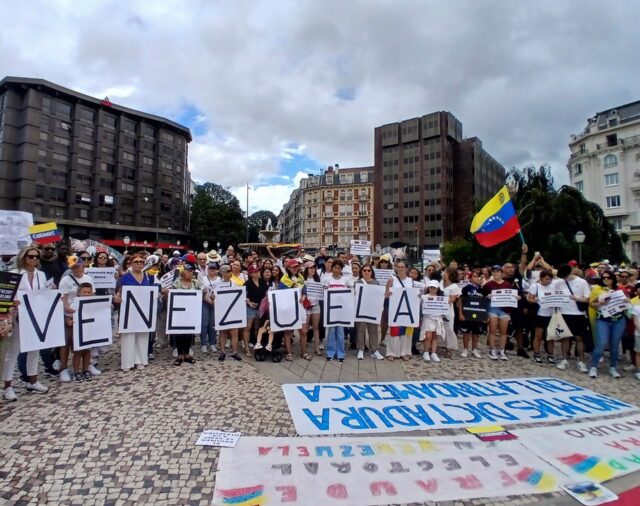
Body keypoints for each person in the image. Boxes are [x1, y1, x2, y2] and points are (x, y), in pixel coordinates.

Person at [3, 246, 50, 401]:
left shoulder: (41, 275)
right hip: (17, 316)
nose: (34, 259)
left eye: (37, 256)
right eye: (31, 256)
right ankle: (8, 386)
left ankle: (33, 381)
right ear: (23, 257)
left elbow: (42, 294)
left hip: (35, 316)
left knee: (34, 349)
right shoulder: (14, 274)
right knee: (13, 351)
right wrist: (12, 304)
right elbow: (7, 295)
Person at [58, 256, 97, 382]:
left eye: (78, 266)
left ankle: (87, 366)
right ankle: (64, 369)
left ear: (82, 265)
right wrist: (67, 309)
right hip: (70, 314)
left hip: (85, 315)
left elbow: (93, 294)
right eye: (73, 267)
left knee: (87, 343)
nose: (76, 269)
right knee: (66, 343)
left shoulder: (88, 278)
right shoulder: (65, 280)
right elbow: (63, 297)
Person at [113, 254, 154, 371]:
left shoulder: (148, 276)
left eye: (141, 261)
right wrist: (117, 298)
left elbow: (154, 290)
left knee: (142, 335)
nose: (139, 263)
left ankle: (140, 359)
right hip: (128, 310)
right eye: (136, 261)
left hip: (144, 311)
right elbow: (118, 292)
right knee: (128, 335)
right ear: (131, 263)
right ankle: (128, 362)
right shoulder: (124, 278)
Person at [588, 272, 628, 378]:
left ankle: (613, 367)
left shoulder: (620, 289)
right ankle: (593, 366)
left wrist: (626, 301)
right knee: (601, 343)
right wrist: (600, 303)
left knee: (615, 345)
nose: (606, 279)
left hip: (619, 319)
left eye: (608, 277)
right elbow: (591, 303)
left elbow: (627, 302)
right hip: (603, 320)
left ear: (612, 278)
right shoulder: (597, 289)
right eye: (603, 277)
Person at [554, 263, 591, 372]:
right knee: (565, 338)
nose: (565, 279)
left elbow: (587, 299)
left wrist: (576, 298)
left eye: (566, 276)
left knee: (579, 338)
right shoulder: (559, 282)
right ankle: (564, 359)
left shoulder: (582, 282)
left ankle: (581, 361)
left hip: (578, 314)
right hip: (563, 313)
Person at [167, 261, 202, 366]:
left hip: (191, 312)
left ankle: (186, 353)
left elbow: (200, 294)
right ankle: (179, 354)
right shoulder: (176, 283)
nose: (191, 273)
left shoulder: (195, 283)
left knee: (189, 333)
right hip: (179, 313)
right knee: (179, 333)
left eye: (192, 271)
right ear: (183, 273)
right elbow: (172, 295)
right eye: (189, 271)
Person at [67, 283, 100, 382]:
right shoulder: (74, 304)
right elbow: (68, 316)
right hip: (77, 332)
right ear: (79, 293)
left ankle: (85, 370)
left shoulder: (93, 304)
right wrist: (69, 322)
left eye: (89, 292)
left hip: (89, 332)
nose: (87, 294)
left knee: (87, 352)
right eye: (84, 292)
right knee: (77, 353)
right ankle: (76, 372)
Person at [385, 259, 415, 362]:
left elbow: (413, 295)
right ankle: (391, 352)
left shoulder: (410, 281)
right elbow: (386, 294)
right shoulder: (392, 280)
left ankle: (404, 352)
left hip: (407, 309)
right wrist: (388, 294)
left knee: (406, 331)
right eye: (399, 266)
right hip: (395, 308)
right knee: (394, 330)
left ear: (406, 269)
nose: (400, 268)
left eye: (402, 267)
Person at [482, 265, 514, 361]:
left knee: (503, 332)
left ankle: (502, 350)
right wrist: (487, 296)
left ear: (501, 273)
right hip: (492, 309)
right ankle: (492, 349)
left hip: (504, 310)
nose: (495, 273)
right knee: (492, 330)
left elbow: (512, 296)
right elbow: (482, 297)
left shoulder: (508, 285)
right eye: (494, 271)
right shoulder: (488, 285)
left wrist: (516, 298)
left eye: (497, 271)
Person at [354, 265, 384, 360]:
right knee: (360, 329)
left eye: (368, 270)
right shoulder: (357, 283)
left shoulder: (376, 283)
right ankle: (361, 349)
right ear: (361, 272)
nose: (366, 272)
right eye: (364, 270)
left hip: (372, 310)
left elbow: (379, 297)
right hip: (361, 310)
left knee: (373, 330)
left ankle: (374, 350)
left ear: (371, 272)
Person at [527, 269, 556, 364]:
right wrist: (538, 299)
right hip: (540, 313)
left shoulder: (553, 286)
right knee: (538, 335)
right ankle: (537, 353)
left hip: (551, 313)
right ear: (541, 278)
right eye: (547, 279)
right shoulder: (535, 286)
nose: (548, 281)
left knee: (551, 336)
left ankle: (550, 354)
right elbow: (529, 299)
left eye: (550, 279)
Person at [279, 258, 305, 362]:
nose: (295, 268)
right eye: (293, 267)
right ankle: (289, 353)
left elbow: (304, 290)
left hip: (300, 307)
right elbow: (281, 294)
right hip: (289, 308)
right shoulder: (284, 279)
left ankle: (304, 352)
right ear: (288, 268)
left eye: (296, 266)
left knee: (303, 331)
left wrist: (304, 296)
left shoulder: (301, 277)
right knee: (288, 331)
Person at [322, 259, 347, 362]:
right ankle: (330, 352)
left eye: (339, 268)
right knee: (331, 331)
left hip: (341, 310)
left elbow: (350, 293)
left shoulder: (345, 280)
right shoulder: (327, 279)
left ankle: (341, 353)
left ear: (341, 269)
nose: (336, 270)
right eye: (335, 268)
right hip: (331, 309)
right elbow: (324, 293)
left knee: (341, 332)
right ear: (332, 268)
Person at [216, 265, 242, 362]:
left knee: (234, 332)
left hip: (232, 310)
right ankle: (222, 352)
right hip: (222, 310)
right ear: (222, 273)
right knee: (223, 332)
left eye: (230, 271)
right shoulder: (217, 284)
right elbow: (212, 295)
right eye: (228, 271)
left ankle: (234, 352)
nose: (230, 272)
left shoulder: (234, 283)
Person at [458, 270, 484, 359]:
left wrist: (484, 315)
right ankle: (465, 349)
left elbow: (484, 302)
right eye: (475, 276)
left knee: (476, 332)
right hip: (467, 313)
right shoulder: (466, 288)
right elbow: (460, 300)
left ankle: (475, 349)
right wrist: (460, 313)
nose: (477, 278)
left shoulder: (481, 288)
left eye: (478, 276)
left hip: (478, 313)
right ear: (470, 278)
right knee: (466, 332)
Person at [243, 264, 268, 357]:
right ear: (251, 274)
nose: (257, 273)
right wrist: (249, 303)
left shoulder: (262, 281)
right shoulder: (247, 283)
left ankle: (257, 345)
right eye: (255, 272)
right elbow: (244, 296)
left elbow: (266, 293)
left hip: (261, 308)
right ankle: (246, 348)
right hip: (250, 308)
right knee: (248, 327)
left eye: (258, 271)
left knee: (257, 328)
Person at [300, 262, 322, 357]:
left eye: (314, 267)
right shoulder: (302, 280)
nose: (313, 269)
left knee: (316, 328)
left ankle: (317, 348)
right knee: (304, 330)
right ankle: (303, 349)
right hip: (306, 307)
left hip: (316, 306)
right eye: (310, 268)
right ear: (306, 269)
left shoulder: (318, 279)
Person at [421, 280, 445, 362]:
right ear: (429, 288)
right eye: (431, 287)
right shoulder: (424, 297)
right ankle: (426, 352)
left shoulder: (441, 298)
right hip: (428, 319)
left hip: (437, 319)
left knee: (435, 336)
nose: (433, 289)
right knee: (428, 336)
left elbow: (444, 308)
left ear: (437, 288)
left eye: (434, 287)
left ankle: (434, 353)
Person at [441, 267, 461, 358]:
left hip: (448, 310)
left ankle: (449, 348)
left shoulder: (454, 286)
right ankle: (437, 345)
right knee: (438, 327)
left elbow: (452, 300)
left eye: (445, 272)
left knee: (448, 328)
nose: (443, 273)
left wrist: (439, 301)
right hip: (437, 309)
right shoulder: (440, 283)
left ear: (450, 274)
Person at [200, 262, 219, 353]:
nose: (212, 270)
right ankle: (203, 343)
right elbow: (201, 291)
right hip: (205, 302)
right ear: (208, 269)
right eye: (210, 269)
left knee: (213, 325)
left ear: (216, 270)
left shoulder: (219, 279)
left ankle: (212, 343)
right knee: (204, 323)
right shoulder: (203, 279)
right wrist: (207, 299)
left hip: (215, 303)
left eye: (214, 269)